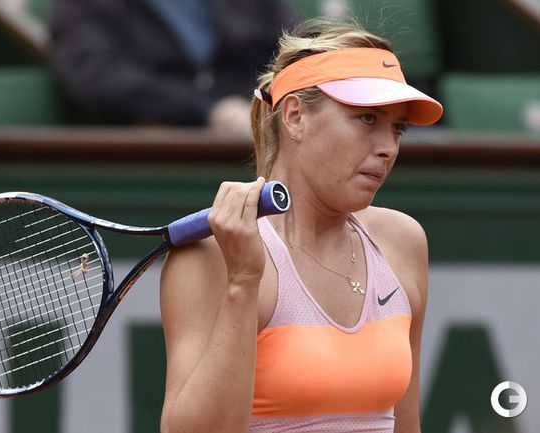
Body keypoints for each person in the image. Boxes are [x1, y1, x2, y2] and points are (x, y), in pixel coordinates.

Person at [159, 17, 443, 433]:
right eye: (367, 119)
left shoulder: (403, 241)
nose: (388, 148)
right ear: (294, 116)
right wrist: (243, 283)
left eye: (397, 128)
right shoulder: (209, 256)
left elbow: (407, 424)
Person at [48, 0, 292, 135]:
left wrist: (259, 109)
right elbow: (98, 76)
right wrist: (208, 111)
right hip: (150, 157)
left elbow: (294, 48)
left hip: (262, 135)